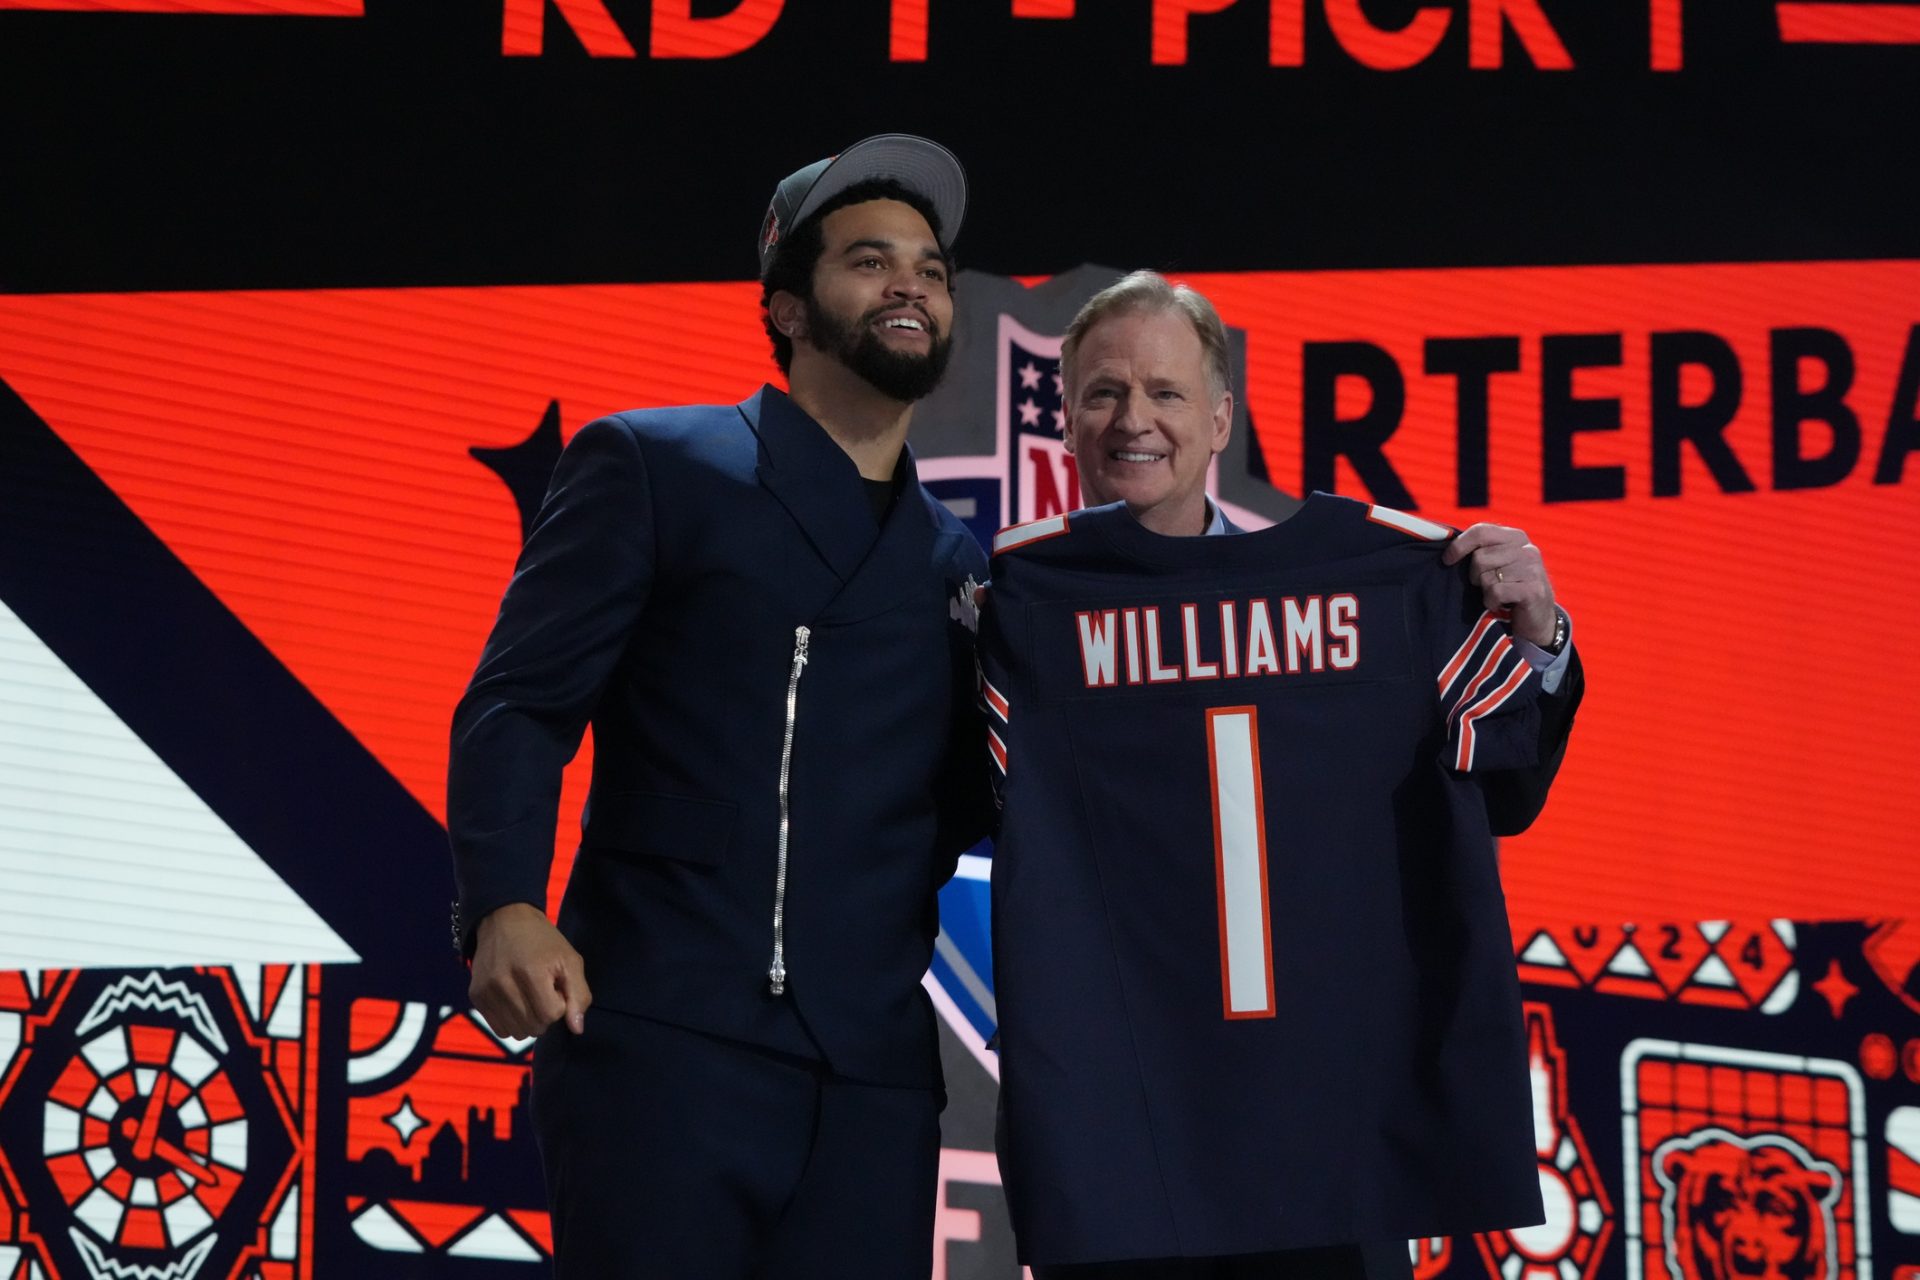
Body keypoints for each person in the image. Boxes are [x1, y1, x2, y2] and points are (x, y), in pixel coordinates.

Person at [446, 135, 991, 1279]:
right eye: (869, 261)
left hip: (873, 1080)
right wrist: (503, 901)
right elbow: (520, 700)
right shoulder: (655, 463)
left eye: (931, 270)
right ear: (788, 308)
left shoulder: (960, 565)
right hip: (661, 1040)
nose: (911, 285)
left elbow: (966, 809)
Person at [981, 271, 1584, 1279]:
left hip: (1331, 1144)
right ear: (1068, 423)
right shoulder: (1015, 612)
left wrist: (1541, 637)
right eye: (1104, 393)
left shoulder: (1387, 584)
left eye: (1166, 393)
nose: (1135, 419)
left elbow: (1507, 791)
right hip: (1132, 1150)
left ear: (1221, 420)